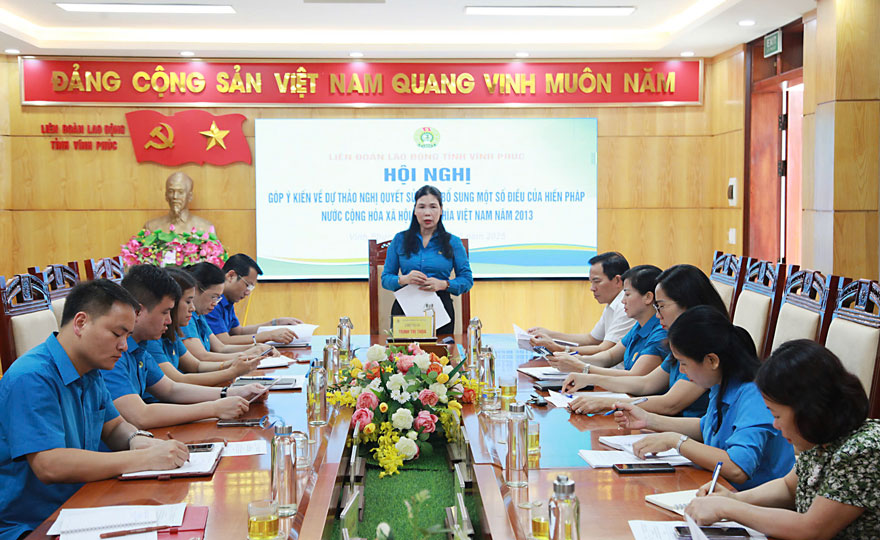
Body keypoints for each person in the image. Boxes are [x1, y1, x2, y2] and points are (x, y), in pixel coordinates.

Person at [0, 280, 189, 539]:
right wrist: (143, 459)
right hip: (36, 523)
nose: (124, 346)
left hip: (85, 504)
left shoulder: (90, 369)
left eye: (127, 336)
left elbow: (114, 427)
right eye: (117, 334)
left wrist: (142, 442)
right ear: (80, 323)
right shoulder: (32, 376)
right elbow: (49, 465)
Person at [685, 339, 880, 539]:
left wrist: (728, 509)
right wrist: (734, 498)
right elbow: (788, 487)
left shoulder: (862, 450)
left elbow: (811, 529)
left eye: (777, 416)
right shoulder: (821, 439)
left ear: (809, 410)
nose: (775, 425)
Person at [613, 306, 794, 491]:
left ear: (712, 361)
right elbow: (706, 427)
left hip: (756, 504)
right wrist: (648, 420)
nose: (681, 371)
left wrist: (676, 441)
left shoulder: (755, 395)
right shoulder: (721, 382)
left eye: (684, 363)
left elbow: (738, 468)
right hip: (721, 492)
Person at [101, 264, 266, 429]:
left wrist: (231, 393)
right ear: (138, 311)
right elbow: (140, 416)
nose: (169, 320)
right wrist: (214, 407)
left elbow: (170, 389)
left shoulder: (140, 347)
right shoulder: (113, 352)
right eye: (165, 312)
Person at [563, 264, 723, 417]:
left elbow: (670, 404)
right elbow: (646, 383)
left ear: (686, 303)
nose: (658, 315)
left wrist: (605, 402)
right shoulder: (682, 338)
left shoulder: (705, 342)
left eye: (661, 307)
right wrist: (589, 378)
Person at [143, 268, 262, 392]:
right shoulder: (152, 338)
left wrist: (239, 360)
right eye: (188, 301)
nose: (192, 308)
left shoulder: (173, 330)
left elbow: (196, 365)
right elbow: (176, 383)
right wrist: (231, 373)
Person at [381, 185, 473, 335]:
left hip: (440, 310)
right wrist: (404, 279)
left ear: (441, 210)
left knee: (440, 357)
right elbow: (385, 279)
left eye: (433, 207)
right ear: (415, 211)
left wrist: (444, 284)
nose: (427, 213)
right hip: (405, 308)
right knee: (403, 357)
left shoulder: (453, 242)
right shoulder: (400, 239)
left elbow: (467, 280)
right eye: (422, 207)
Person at [548, 264, 666, 376]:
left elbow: (635, 376)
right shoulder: (639, 326)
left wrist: (581, 366)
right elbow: (610, 356)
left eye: (628, 294)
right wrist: (574, 359)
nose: (623, 301)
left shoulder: (661, 331)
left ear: (648, 297)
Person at [529, 251, 635, 356]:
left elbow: (605, 350)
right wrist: (550, 334)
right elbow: (592, 339)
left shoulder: (625, 306)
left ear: (617, 280)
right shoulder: (612, 304)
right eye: (591, 282)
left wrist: (560, 348)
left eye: (597, 281)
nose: (592, 288)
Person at [181, 262, 277, 363]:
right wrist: (247, 355)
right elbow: (202, 357)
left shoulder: (200, 315)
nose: (215, 303)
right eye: (213, 297)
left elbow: (221, 348)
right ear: (195, 290)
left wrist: (258, 347)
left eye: (218, 298)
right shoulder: (187, 317)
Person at [205, 253, 305, 346]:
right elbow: (223, 341)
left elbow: (238, 332)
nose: (248, 292)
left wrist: (275, 323)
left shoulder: (228, 301)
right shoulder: (213, 301)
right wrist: (268, 335)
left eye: (251, 288)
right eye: (247, 285)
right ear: (231, 276)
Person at [144, 171, 215, 234]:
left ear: (190, 196)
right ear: (166, 195)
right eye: (171, 191)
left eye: (180, 192)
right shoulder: (151, 227)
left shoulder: (205, 228)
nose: (175, 196)